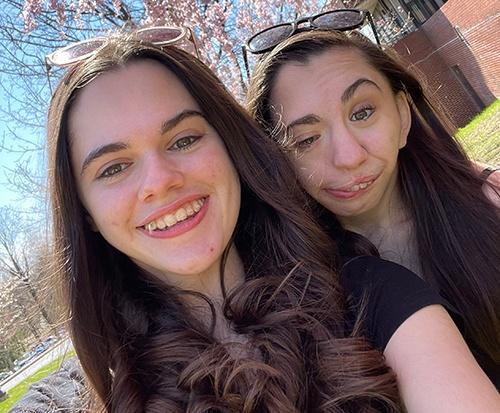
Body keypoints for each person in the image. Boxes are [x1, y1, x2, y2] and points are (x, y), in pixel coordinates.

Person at [41, 29, 499, 413]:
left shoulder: (372, 297)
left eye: (183, 139)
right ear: (86, 213)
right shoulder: (122, 392)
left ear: (232, 149)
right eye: (114, 168)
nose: (160, 182)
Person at [245, 26, 500, 390]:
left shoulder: (491, 203)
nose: (348, 157)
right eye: (306, 140)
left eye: (363, 113)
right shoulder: (291, 298)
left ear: (402, 115)